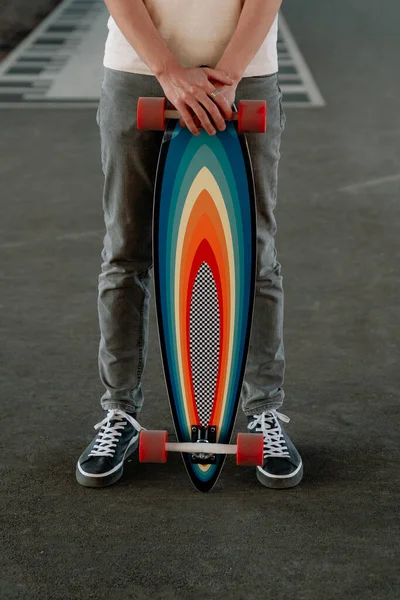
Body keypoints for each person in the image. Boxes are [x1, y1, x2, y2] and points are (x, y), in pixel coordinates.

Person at [76, 0, 303, 489]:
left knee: (255, 254)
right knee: (125, 252)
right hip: (137, 69)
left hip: (244, 76)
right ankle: (119, 414)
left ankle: (265, 414)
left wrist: (228, 76)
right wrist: (168, 71)